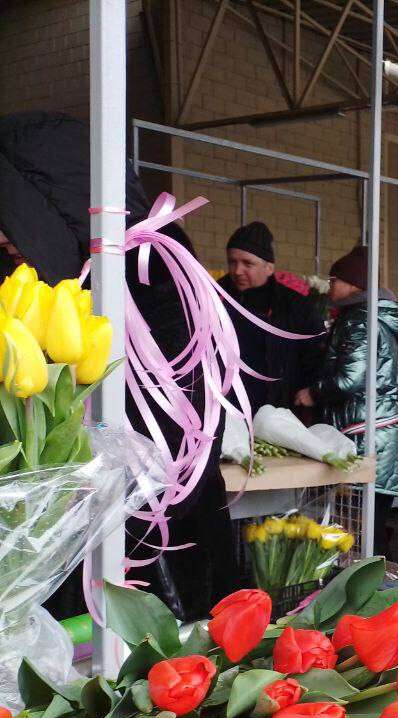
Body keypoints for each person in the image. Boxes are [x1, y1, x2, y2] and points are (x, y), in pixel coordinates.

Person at [0, 111, 235, 620]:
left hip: (146, 547)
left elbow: (174, 437)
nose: (6, 244)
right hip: (87, 537)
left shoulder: (149, 273)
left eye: (11, 228)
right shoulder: (62, 276)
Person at [295, 246, 398, 557]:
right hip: (381, 433)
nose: (331, 287)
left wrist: (312, 393)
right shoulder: (374, 317)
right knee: (371, 523)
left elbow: (350, 378)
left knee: (365, 527)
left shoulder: (361, 321)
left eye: (335, 279)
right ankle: (374, 583)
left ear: (354, 285)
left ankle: (371, 588)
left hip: (371, 437)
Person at [217, 222, 325, 414]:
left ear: (269, 267)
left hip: (279, 410)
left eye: (247, 263)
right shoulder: (213, 297)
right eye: (232, 262)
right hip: (224, 406)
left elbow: (315, 356)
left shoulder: (295, 306)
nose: (237, 270)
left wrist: (312, 392)